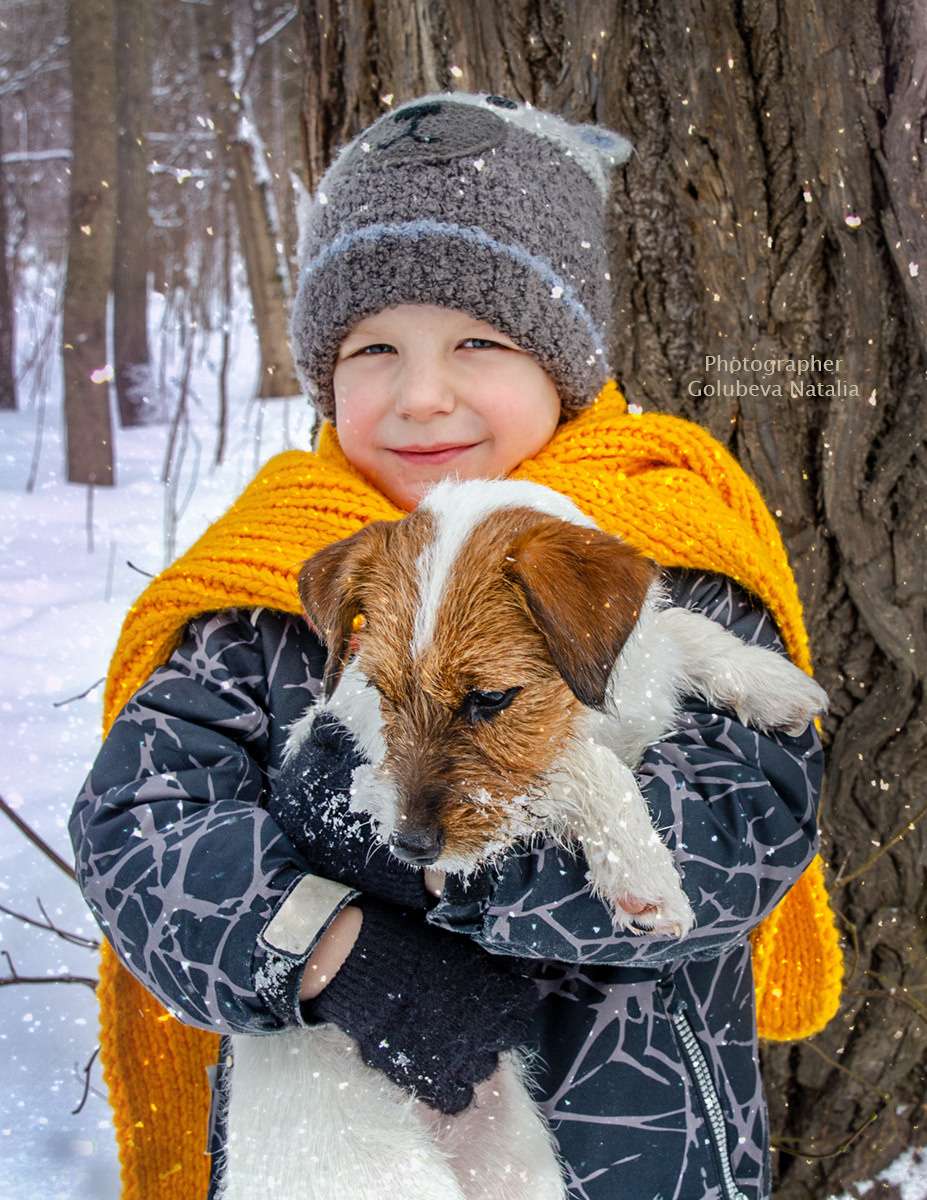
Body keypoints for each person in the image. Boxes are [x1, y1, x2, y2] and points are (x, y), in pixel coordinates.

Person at [70, 94, 841, 1200]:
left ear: (564, 367)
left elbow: (751, 817)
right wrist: (332, 948)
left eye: (479, 341)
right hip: (351, 1144)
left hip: (642, 1150)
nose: (421, 395)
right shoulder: (260, 590)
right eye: (373, 347)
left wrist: (459, 854)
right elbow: (136, 828)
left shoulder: (657, 549)